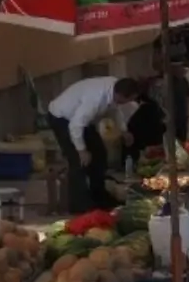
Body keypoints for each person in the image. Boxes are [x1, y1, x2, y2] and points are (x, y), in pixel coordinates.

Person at [48, 76, 141, 213]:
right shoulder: (95, 99)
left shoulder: (114, 88)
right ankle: (79, 205)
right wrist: (81, 150)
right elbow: (76, 125)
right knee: (78, 161)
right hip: (63, 118)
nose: (129, 102)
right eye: (128, 99)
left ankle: (99, 196)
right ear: (120, 95)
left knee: (100, 154)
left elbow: (115, 110)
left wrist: (123, 130)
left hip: (84, 121)